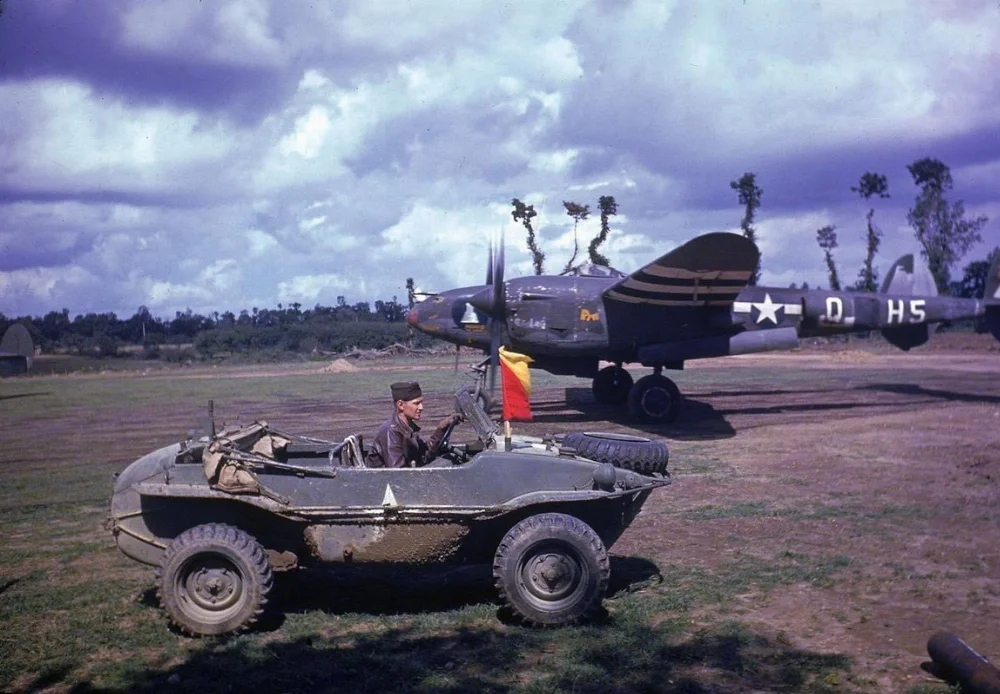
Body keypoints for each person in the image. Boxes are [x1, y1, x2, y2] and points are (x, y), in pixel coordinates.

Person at [365, 381, 464, 468]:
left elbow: (424, 456)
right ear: (401, 405)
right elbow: (396, 474)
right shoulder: (391, 432)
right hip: (385, 485)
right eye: (416, 403)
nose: (421, 407)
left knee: (447, 460)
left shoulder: (408, 427)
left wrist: (441, 428)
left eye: (421, 402)